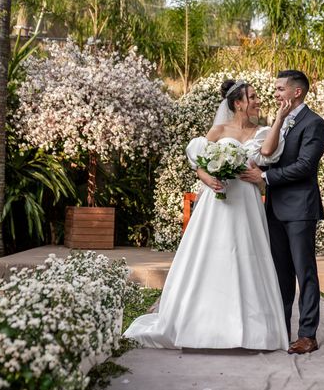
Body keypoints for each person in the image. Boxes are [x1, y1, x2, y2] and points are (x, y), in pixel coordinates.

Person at [123, 79, 293, 350]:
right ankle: (202, 324)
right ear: (238, 103)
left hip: (246, 202)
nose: (258, 100)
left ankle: (252, 331)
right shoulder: (218, 130)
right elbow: (199, 164)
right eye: (252, 96)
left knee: (247, 255)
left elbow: (268, 152)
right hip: (218, 201)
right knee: (213, 253)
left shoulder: (262, 131)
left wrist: (280, 119)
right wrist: (208, 178)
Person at [240, 70, 324, 355]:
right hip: (274, 209)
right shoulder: (280, 122)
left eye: (280, 89)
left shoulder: (314, 124)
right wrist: (259, 170)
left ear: (296, 92)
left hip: (300, 208)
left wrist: (265, 179)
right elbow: (272, 157)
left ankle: (307, 335)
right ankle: (281, 329)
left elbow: (305, 166)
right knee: (280, 273)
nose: (276, 93)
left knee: (305, 273)